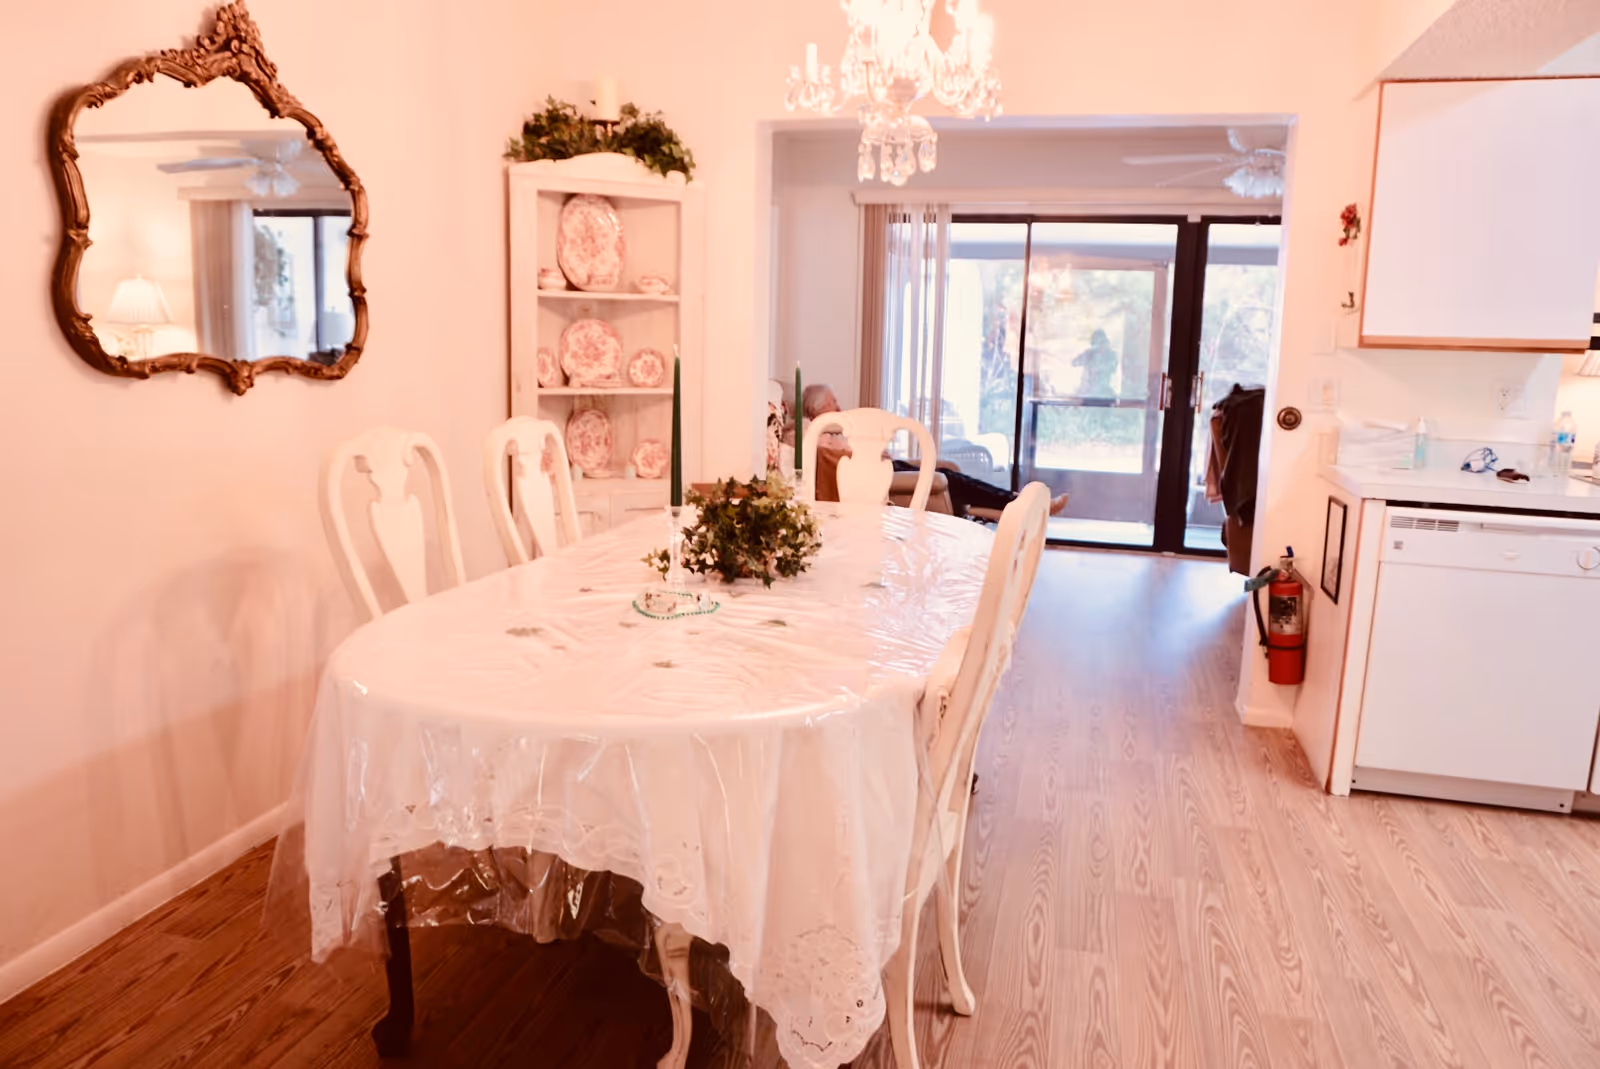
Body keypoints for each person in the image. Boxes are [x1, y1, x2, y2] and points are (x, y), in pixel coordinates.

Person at [787, 384, 1068, 519]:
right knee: (949, 477)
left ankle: (1015, 502)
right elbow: (826, 459)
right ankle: (1017, 503)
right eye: (832, 403)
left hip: (886, 464)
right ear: (815, 408)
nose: (838, 407)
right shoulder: (807, 431)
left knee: (948, 474)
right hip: (876, 474)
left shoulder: (834, 428)